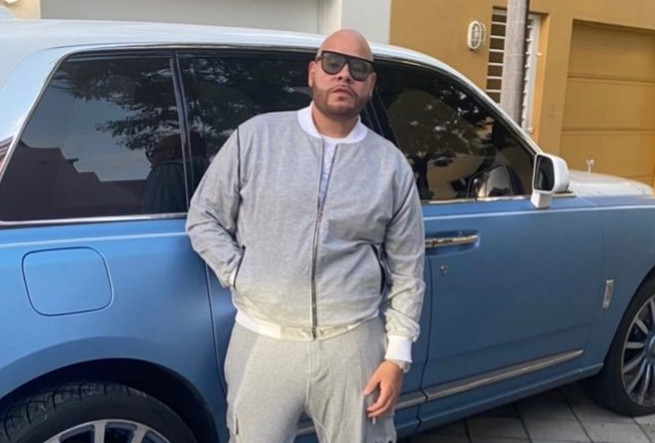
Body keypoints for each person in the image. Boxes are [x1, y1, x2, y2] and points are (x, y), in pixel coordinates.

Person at [186, 29, 425, 443]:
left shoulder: (390, 165)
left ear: (370, 83)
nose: (344, 75)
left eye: (358, 68)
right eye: (333, 63)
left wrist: (396, 356)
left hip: (353, 341)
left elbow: (408, 268)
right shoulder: (256, 138)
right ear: (313, 72)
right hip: (263, 337)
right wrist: (240, 274)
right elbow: (203, 217)